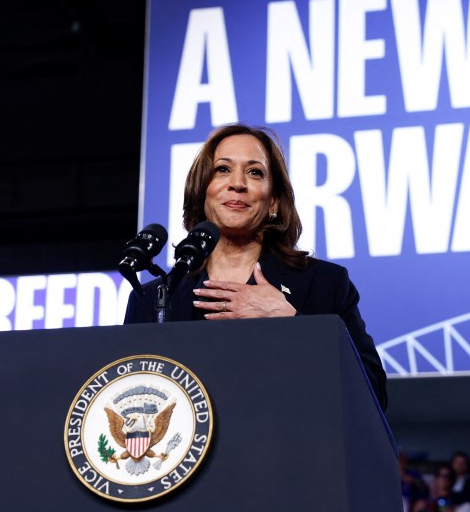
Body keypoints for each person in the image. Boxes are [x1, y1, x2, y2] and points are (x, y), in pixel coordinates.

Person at [123, 124, 387, 411]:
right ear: (202, 192)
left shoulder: (325, 284)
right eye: (222, 169)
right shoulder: (153, 300)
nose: (237, 183)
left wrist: (294, 325)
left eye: (255, 172)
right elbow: (127, 399)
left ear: (273, 200)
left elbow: (372, 393)